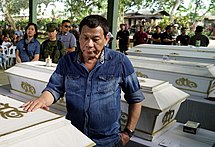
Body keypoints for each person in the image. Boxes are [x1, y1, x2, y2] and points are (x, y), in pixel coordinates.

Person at [22, 15, 145, 147]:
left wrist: (128, 132)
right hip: (74, 136)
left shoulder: (120, 62)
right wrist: (42, 100)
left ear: (106, 39)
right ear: (78, 38)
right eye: (85, 38)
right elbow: (54, 89)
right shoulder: (67, 61)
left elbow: (136, 98)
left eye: (95, 39)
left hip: (108, 141)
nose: (89, 44)